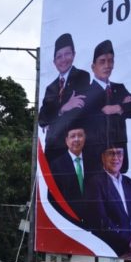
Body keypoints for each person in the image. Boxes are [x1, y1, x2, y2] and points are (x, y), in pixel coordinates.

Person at [81, 39, 131, 174]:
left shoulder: (119, 89)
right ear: (93, 66)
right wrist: (123, 105)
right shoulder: (85, 93)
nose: (107, 65)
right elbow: (91, 117)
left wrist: (118, 108)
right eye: (102, 61)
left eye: (110, 61)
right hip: (96, 160)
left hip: (118, 159)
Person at [83, 145, 131, 257]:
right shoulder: (95, 183)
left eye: (119, 153)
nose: (116, 158)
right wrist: (129, 241)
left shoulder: (129, 183)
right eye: (111, 153)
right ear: (103, 157)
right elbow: (101, 222)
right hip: (112, 252)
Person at [39, 33, 90, 165]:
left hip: (73, 148)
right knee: (52, 185)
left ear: (73, 54)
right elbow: (42, 119)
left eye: (67, 54)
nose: (63, 60)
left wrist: (53, 118)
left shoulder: (82, 76)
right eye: (58, 57)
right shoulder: (50, 88)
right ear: (54, 62)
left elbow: (78, 109)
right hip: (52, 148)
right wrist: (64, 108)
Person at [47, 124, 96, 226]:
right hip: (68, 223)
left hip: (93, 223)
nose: (77, 139)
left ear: (85, 138)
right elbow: (52, 197)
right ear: (66, 140)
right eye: (73, 136)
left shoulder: (94, 162)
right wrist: (65, 218)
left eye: (80, 135)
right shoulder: (57, 165)